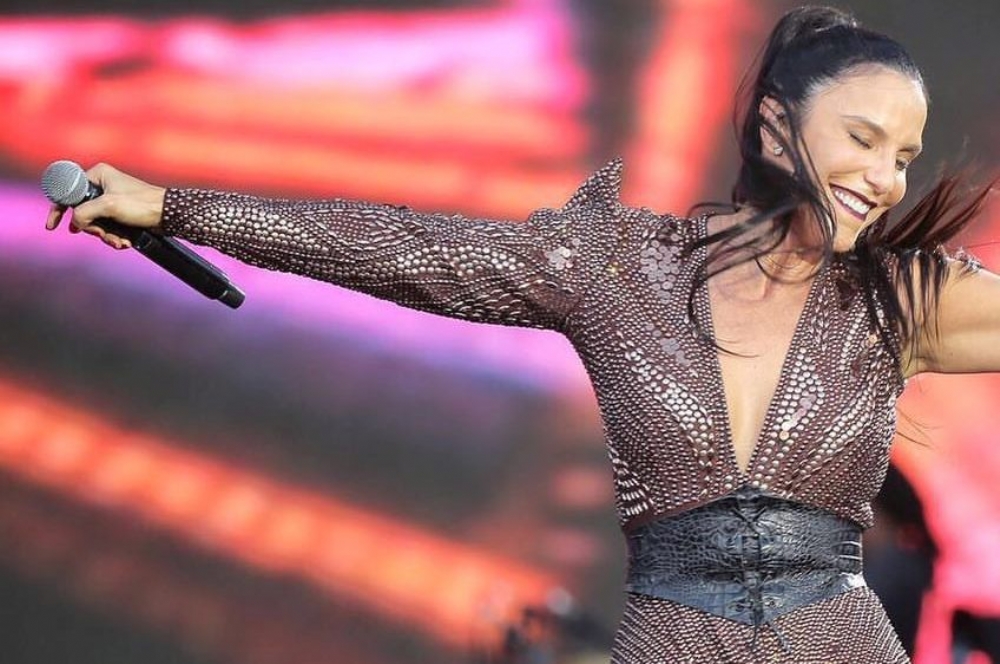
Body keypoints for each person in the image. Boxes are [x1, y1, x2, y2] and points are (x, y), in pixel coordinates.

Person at [43, 6, 998, 664]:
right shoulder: (612, 266)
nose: (886, 179)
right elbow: (398, 247)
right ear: (777, 126)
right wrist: (173, 206)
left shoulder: (901, 299)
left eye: (904, 156)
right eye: (863, 139)